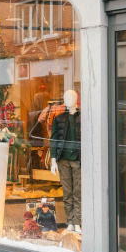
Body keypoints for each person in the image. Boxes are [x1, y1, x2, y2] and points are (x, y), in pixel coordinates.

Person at [50, 89, 81, 234]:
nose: (68, 99)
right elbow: (54, 139)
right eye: (66, 96)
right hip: (63, 159)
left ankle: (78, 221)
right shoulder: (58, 118)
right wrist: (53, 159)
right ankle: (70, 221)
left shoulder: (82, 117)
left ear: (76, 99)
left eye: (71, 96)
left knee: (78, 192)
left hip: (78, 159)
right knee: (67, 191)